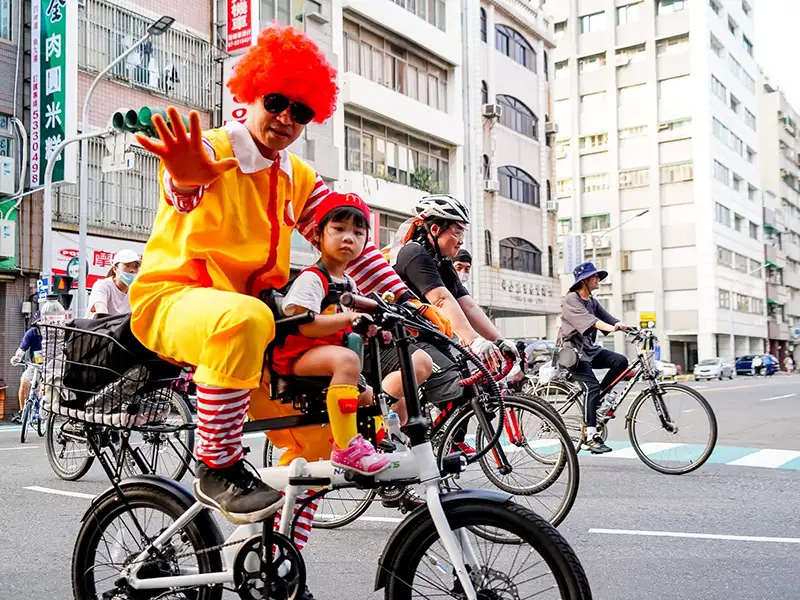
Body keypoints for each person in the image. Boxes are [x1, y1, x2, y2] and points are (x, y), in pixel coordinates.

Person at [128, 24, 448, 539]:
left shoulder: (296, 175)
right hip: (176, 303)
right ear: (250, 94)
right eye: (276, 101)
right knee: (247, 317)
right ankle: (216, 465)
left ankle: (271, 567)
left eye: (300, 111)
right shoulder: (211, 150)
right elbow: (183, 186)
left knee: (320, 458)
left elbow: (352, 245)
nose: (285, 119)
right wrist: (184, 180)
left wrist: (420, 306)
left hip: (251, 338)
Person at [272, 192, 432, 475]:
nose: (349, 237)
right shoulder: (313, 278)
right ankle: (346, 447)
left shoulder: (348, 283)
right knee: (348, 361)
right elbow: (303, 325)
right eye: (339, 229)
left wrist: (374, 329)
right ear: (319, 235)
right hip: (297, 355)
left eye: (358, 233)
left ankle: (379, 442)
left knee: (374, 397)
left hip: (328, 356)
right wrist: (349, 317)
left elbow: (351, 323)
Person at [389, 194, 518, 370]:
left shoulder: (442, 262)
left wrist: (499, 340)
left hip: (428, 336)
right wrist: (474, 340)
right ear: (434, 229)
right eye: (457, 232)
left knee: (462, 381)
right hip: (400, 337)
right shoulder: (415, 253)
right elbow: (441, 300)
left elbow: (468, 306)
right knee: (447, 380)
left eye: (463, 233)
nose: (461, 241)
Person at [557, 261, 630, 454]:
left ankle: (595, 403)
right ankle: (591, 436)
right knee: (592, 386)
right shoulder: (571, 299)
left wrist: (628, 327)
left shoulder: (592, 301)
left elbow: (609, 318)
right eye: (595, 277)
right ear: (584, 280)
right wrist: (612, 328)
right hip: (573, 352)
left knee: (620, 361)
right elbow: (595, 322)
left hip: (588, 350)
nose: (598, 279)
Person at [86, 249, 141, 317]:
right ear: (115, 269)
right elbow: (101, 312)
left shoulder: (136, 292)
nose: (132, 270)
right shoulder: (102, 285)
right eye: (127, 266)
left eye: (136, 267)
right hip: (99, 326)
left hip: (119, 327)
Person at [9, 318, 43, 423]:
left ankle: (44, 412)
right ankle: (22, 411)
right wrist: (17, 357)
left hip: (52, 365)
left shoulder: (56, 332)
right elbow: (22, 348)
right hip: (35, 364)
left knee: (45, 388)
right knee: (24, 381)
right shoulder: (31, 333)